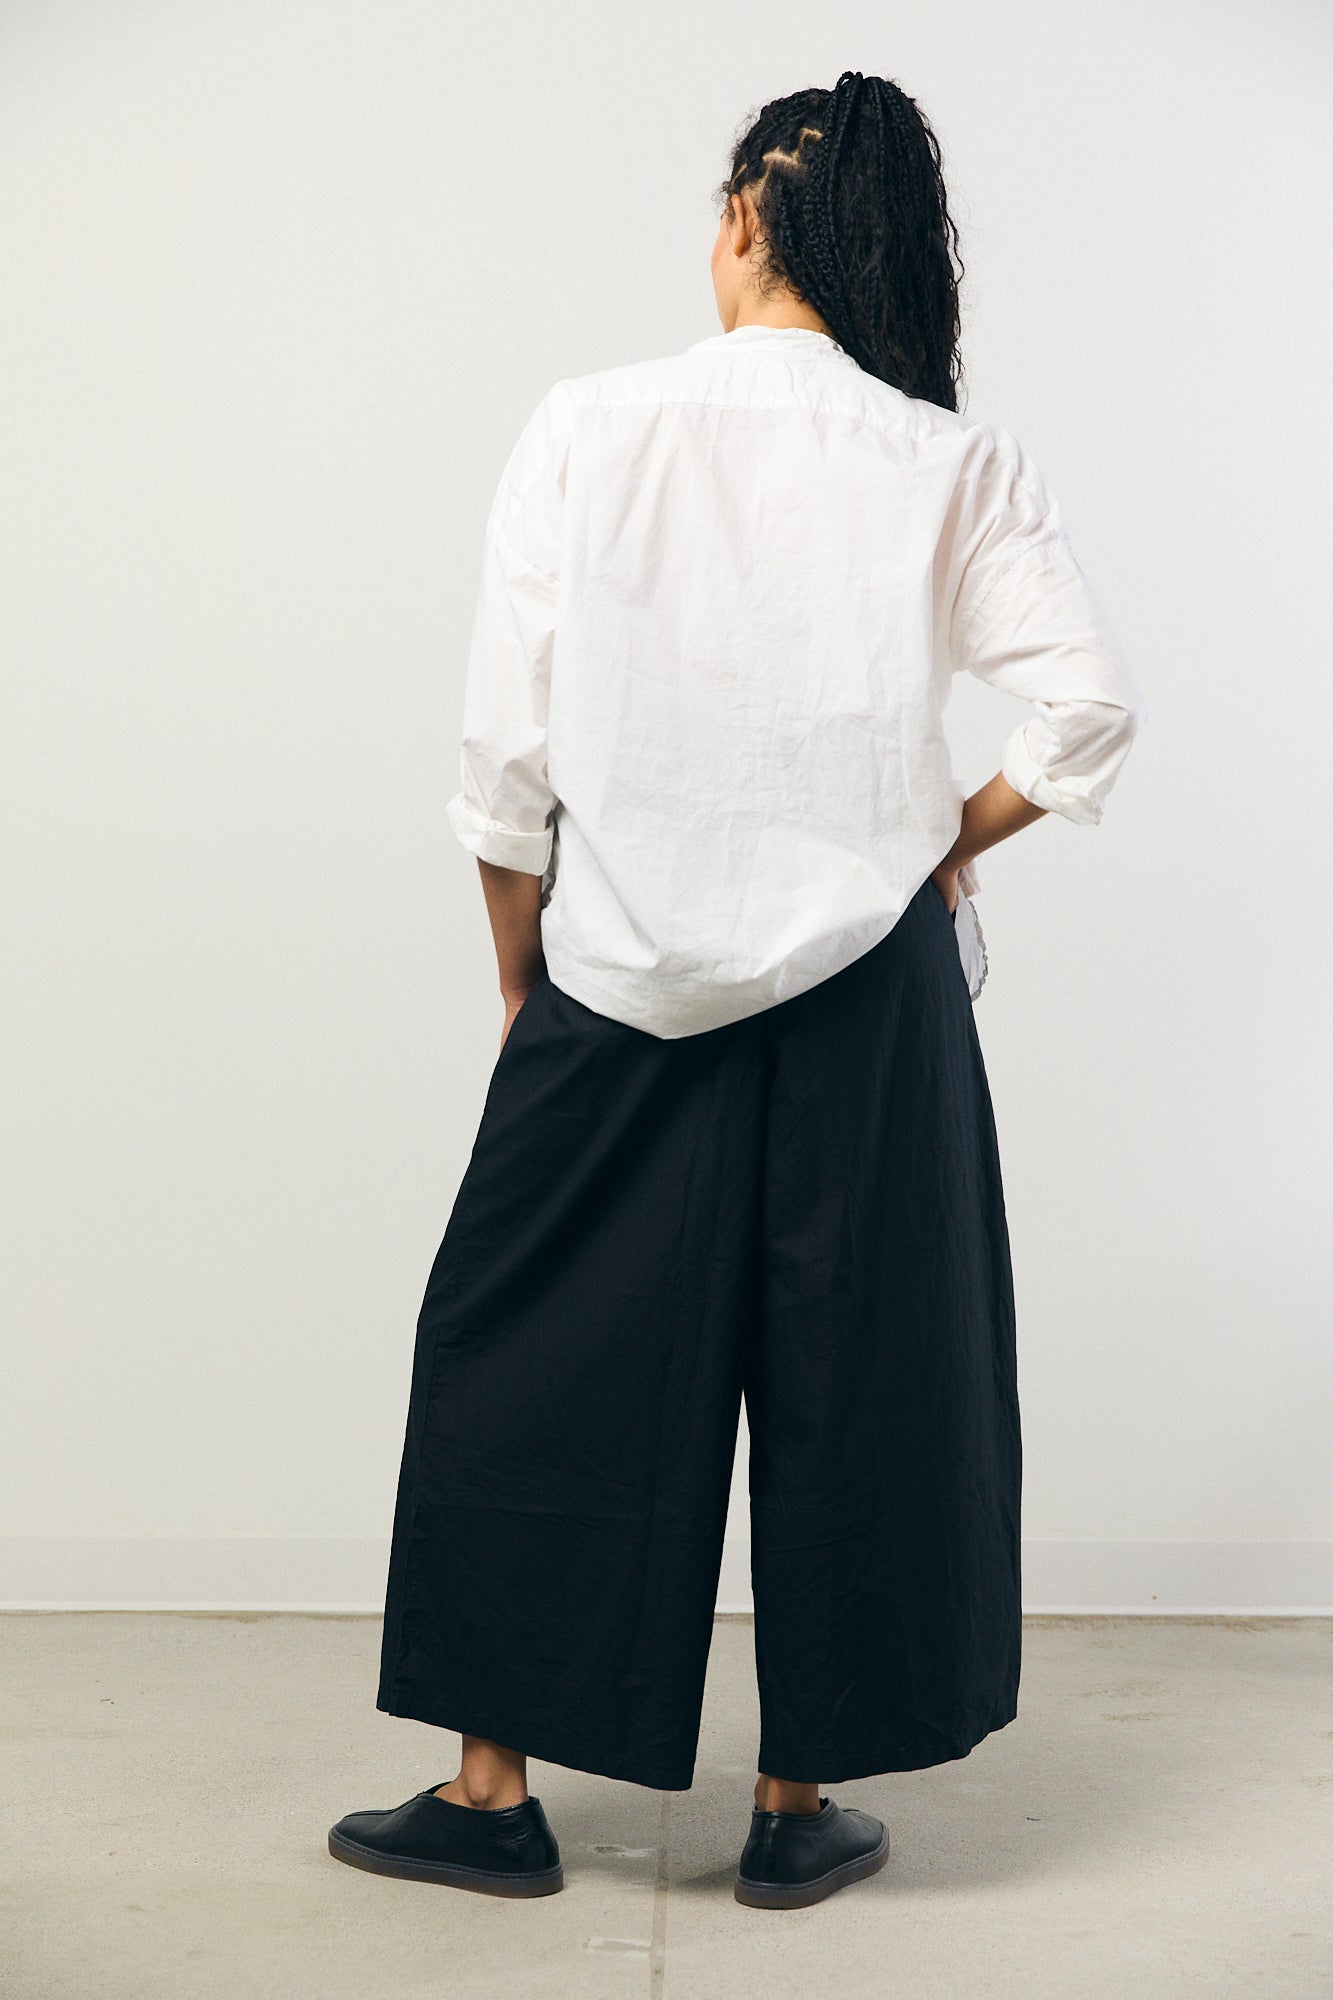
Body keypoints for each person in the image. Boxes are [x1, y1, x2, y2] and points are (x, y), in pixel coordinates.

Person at [328, 69, 1147, 1911]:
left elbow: (504, 763)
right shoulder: (946, 457)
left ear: (745, 220)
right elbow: (1088, 708)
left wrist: (524, 983)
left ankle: (489, 1792)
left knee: (531, 1355)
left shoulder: (588, 426)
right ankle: (793, 1808)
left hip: (619, 968)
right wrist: (937, 841)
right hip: (870, 992)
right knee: (864, 1368)